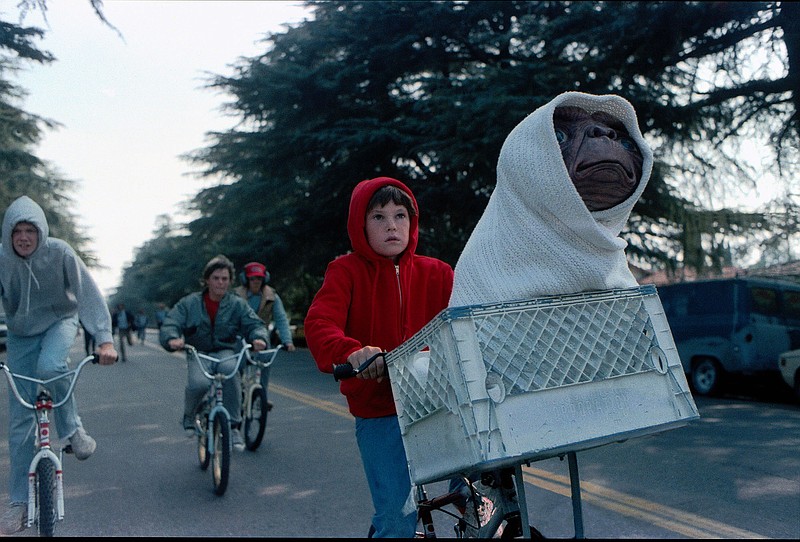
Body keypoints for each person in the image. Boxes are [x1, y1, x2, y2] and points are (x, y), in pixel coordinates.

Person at [304, 177, 454, 538]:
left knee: (484, 485)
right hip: (379, 410)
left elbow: (465, 321)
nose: (391, 225)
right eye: (378, 217)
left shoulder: (439, 273)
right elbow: (319, 323)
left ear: (412, 223)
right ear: (360, 224)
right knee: (398, 519)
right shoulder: (345, 272)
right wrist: (352, 352)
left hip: (441, 404)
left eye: (401, 215)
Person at [0, 195, 117, 535]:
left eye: (30, 231)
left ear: (41, 232)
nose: (24, 237)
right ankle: (18, 503)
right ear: (8, 233)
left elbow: (88, 294)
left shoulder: (61, 252)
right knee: (20, 420)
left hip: (59, 323)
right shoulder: (2, 259)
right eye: (17, 231)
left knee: (51, 367)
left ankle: (71, 430)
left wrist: (105, 339)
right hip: (20, 335)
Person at [159, 254, 269, 452]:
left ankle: (234, 426)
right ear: (207, 280)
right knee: (199, 383)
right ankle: (189, 416)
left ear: (230, 281)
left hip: (225, 350)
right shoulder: (189, 303)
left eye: (225, 279)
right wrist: (172, 338)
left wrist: (258, 338)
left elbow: (255, 324)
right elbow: (171, 322)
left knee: (230, 374)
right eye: (216, 278)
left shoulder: (237, 304)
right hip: (198, 351)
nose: (220, 283)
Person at [234, 261, 295, 410]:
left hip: (262, 337)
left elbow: (281, 319)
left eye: (259, 279)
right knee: (238, 364)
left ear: (264, 279)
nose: (256, 282)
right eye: (253, 278)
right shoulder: (236, 295)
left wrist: (287, 341)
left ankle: (262, 395)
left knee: (266, 361)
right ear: (246, 279)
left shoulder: (272, 296)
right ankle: (236, 393)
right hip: (241, 336)